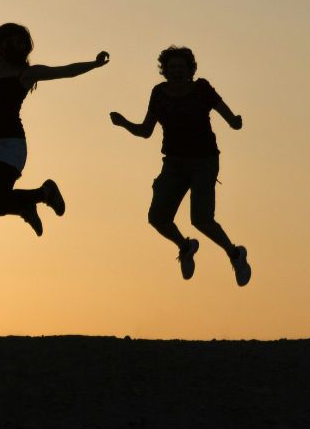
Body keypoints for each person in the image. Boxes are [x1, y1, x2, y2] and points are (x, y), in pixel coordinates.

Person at [0, 23, 107, 236]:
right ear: (0, 44)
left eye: (21, 42)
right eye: (13, 40)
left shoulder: (27, 73)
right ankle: (29, 202)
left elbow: (65, 72)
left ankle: (42, 195)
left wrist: (94, 64)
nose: (18, 45)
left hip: (11, 145)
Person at [108, 47, 252, 284]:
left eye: (180, 67)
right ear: (165, 71)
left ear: (190, 70)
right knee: (157, 218)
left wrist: (234, 122)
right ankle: (185, 247)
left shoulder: (201, 89)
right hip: (174, 164)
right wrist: (123, 123)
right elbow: (146, 131)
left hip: (203, 162)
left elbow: (226, 113)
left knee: (201, 219)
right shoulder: (159, 93)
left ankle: (235, 254)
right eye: (171, 67)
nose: (176, 71)